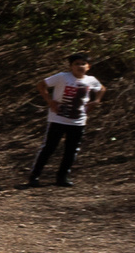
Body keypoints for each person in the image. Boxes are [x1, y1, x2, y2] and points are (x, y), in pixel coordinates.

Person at [25, 54, 103, 188]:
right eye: (76, 64)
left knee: (71, 150)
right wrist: (50, 101)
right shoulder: (62, 77)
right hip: (58, 119)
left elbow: (101, 88)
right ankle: (34, 177)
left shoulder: (91, 80)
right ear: (71, 67)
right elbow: (41, 85)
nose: (80, 66)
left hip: (78, 121)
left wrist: (96, 101)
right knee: (49, 148)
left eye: (83, 64)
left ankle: (62, 177)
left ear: (88, 67)